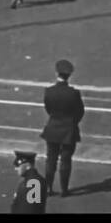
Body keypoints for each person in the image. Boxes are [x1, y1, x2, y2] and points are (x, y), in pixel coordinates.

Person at [40, 59, 85, 198]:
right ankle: (64, 190)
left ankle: (48, 188)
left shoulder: (49, 91)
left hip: (53, 127)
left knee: (51, 159)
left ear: (56, 73)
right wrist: (72, 122)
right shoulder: (74, 93)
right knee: (66, 160)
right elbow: (80, 112)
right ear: (69, 75)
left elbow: (48, 109)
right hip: (68, 130)